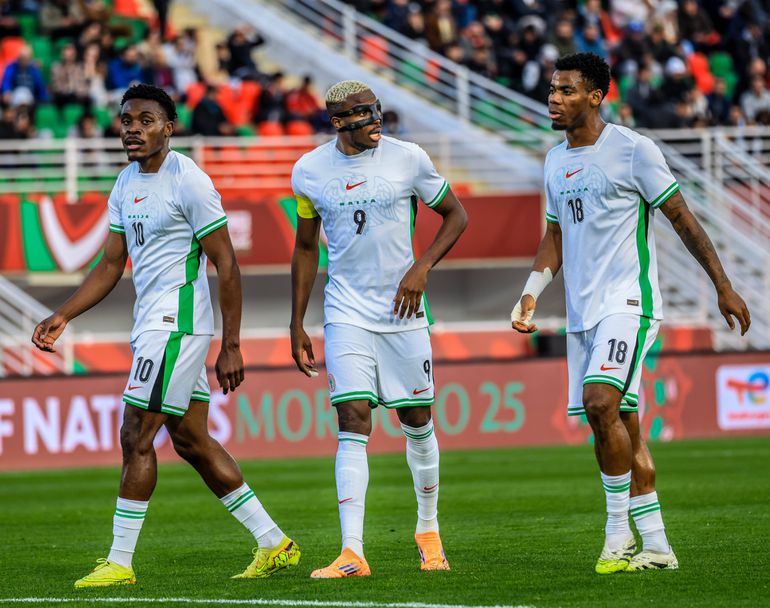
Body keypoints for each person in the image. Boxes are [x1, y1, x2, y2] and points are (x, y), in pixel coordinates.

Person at [31, 84, 299, 588]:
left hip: (176, 325)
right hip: (152, 325)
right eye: (127, 120)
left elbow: (227, 263)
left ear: (170, 126)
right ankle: (274, 543)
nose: (133, 128)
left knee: (135, 436)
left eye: (146, 119)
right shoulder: (126, 182)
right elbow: (112, 263)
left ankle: (120, 561)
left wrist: (232, 345)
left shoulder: (189, 182)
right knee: (191, 440)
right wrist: (63, 314)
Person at [511, 53, 750, 574]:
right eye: (552, 89)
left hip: (629, 302)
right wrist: (532, 290)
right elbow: (553, 237)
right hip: (582, 314)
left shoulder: (633, 150)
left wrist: (723, 286)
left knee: (600, 402)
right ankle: (658, 545)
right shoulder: (554, 161)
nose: (554, 98)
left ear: (596, 97)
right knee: (620, 425)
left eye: (567, 90)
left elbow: (682, 218)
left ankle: (616, 533)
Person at [290, 80, 468, 578]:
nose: (374, 120)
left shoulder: (408, 158)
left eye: (376, 110)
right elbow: (306, 248)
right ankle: (353, 552)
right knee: (352, 422)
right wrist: (296, 321)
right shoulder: (309, 171)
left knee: (417, 420)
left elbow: (456, 216)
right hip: (345, 312)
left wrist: (422, 267)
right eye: (362, 113)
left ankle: (428, 530)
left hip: (404, 313)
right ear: (338, 121)